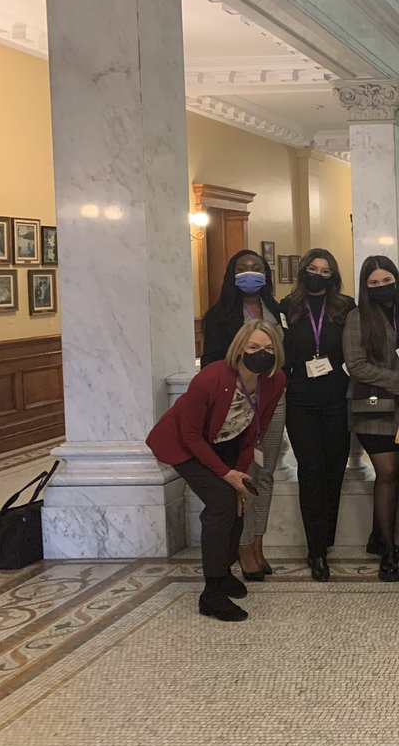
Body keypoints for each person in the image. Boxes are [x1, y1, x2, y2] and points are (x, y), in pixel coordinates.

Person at [147, 320, 285, 621]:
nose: (261, 353)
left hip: (228, 445)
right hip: (185, 446)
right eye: (253, 347)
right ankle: (211, 591)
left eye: (268, 348)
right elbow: (191, 435)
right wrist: (226, 475)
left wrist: (240, 474)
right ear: (239, 349)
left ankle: (223, 573)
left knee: (240, 501)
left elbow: (254, 431)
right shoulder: (210, 378)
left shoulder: (274, 381)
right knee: (222, 503)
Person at [200, 249, 287, 581]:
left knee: (266, 472)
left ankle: (259, 545)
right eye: (242, 268)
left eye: (256, 267)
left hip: (274, 397)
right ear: (231, 274)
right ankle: (244, 547)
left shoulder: (277, 311)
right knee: (246, 472)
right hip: (239, 400)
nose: (250, 272)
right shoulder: (219, 315)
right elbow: (211, 361)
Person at [282, 249, 355, 582]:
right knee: (310, 471)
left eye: (326, 271)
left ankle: (326, 537)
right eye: (312, 269)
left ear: (333, 275)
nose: (318, 275)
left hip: (337, 396)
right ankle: (316, 551)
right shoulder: (287, 308)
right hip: (300, 400)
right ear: (302, 272)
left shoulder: (346, 307)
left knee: (334, 469)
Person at [343, 255, 399, 581]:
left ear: (396, 282)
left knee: (394, 473)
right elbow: (356, 365)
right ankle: (387, 552)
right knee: (386, 473)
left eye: (387, 281)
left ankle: (376, 536)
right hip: (374, 409)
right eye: (374, 283)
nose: (382, 287)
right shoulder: (357, 317)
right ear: (365, 287)